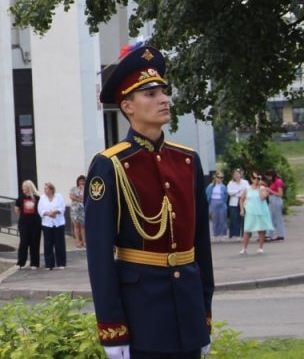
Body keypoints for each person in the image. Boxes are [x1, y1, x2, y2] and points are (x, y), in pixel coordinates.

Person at [85, 45, 213, 358]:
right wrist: (112, 329)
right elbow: (100, 256)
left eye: (164, 92)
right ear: (127, 106)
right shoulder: (110, 165)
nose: (163, 99)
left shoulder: (187, 161)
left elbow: (201, 244)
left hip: (189, 312)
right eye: (150, 94)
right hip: (142, 316)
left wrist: (204, 315)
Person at [239, 170, 274, 254]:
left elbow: (262, 198)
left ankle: (260, 247)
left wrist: (259, 188)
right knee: (247, 230)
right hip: (250, 212)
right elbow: (241, 199)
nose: (256, 180)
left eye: (258, 178)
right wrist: (242, 209)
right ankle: (244, 248)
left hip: (261, 212)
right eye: (254, 178)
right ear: (251, 179)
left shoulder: (263, 189)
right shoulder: (247, 189)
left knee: (261, 230)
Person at [38, 182, 67, 270]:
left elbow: (62, 208)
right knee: (48, 244)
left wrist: (55, 212)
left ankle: (61, 263)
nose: (45, 190)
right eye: (44, 189)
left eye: (47, 188)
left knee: (59, 243)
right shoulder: (42, 198)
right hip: (47, 223)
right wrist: (48, 214)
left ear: (51, 189)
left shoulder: (59, 197)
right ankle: (49, 264)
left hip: (58, 223)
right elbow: (40, 210)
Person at [14, 180, 41, 269]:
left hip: (35, 223)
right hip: (24, 223)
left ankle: (34, 263)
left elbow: (40, 209)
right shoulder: (21, 197)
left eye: (24, 187)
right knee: (24, 242)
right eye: (22, 187)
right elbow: (16, 208)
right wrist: (21, 217)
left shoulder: (37, 198)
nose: (23, 188)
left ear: (29, 187)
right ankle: (21, 262)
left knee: (34, 242)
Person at [226, 168, 248, 239]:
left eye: (238, 174)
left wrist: (237, 193)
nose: (237, 175)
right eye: (235, 174)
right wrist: (238, 191)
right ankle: (235, 234)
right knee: (234, 218)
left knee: (244, 218)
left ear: (240, 175)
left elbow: (247, 191)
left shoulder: (245, 182)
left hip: (244, 201)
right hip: (234, 202)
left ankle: (244, 234)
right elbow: (229, 192)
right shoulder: (231, 183)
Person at [264, 170, 285, 241]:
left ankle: (280, 234)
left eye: (268, 177)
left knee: (278, 218)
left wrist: (270, 191)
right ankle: (269, 234)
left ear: (271, 176)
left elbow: (280, 194)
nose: (267, 178)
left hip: (276, 200)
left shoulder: (278, 181)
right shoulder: (272, 182)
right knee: (270, 217)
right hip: (271, 200)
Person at [206, 171, 228, 238]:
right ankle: (216, 234)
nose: (220, 179)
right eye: (218, 177)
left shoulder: (223, 187)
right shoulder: (210, 186)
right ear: (215, 177)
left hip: (221, 202)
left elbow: (226, 196)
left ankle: (222, 234)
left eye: (221, 177)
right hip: (213, 202)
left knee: (222, 219)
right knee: (215, 219)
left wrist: (223, 203)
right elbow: (207, 195)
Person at [69, 175, 87, 248]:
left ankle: (84, 241)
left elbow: (85, 197)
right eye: (80, 181)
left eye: (83, 181)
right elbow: (71, 197)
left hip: (83, 209)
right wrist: (80, 199)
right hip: (75, 209)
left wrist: (82, 190)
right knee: (76, 225)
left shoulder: (86, 189)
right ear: (78, 181)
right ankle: (78, 241)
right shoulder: (74, 188)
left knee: (83, 226)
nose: (81, 182)